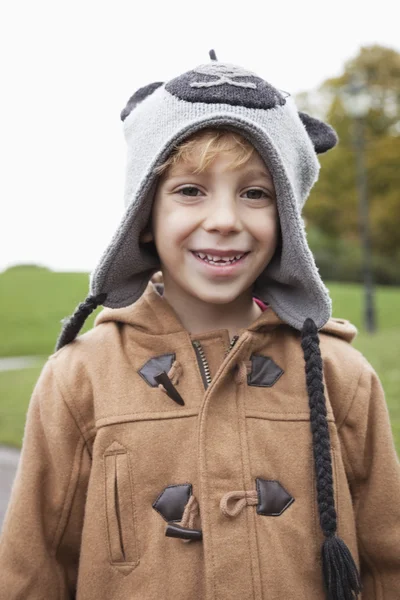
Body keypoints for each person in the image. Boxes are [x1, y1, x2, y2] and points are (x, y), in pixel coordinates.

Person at [0, 51, 399, 600]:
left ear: (286, 220)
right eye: (190, 190)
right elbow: (32, 569)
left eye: (255, 193)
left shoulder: (340, 376)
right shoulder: (80, 377)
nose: (224, 220)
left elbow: (388, 564)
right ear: (145, 216)